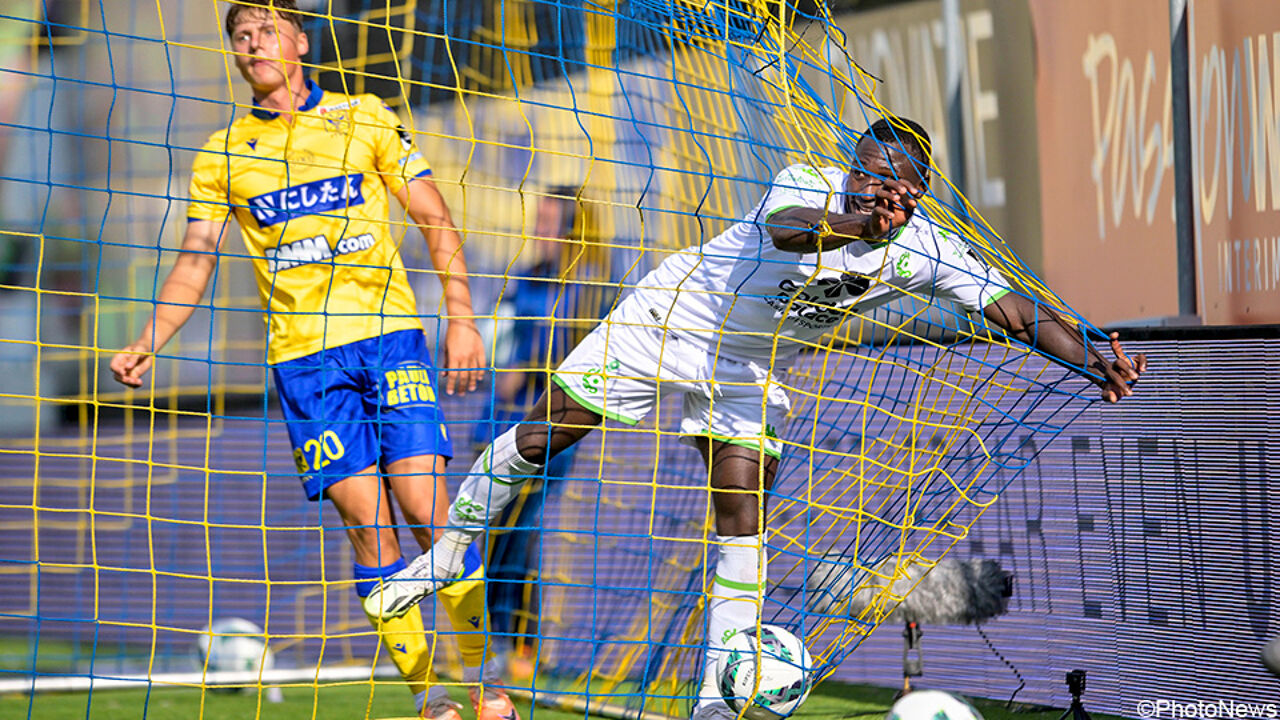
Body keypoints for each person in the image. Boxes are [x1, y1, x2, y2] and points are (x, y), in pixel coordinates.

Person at [361, 116, 1147, 719]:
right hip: (671, 320)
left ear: (919, 191)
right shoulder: (804, 186)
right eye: (865, 174)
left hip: (746, 365)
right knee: (542, 435)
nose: (874, 190)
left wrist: (1088, 356)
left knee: (743, 515)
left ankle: (713, 693)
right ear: (851, 169)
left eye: (893, 185)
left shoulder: (931, 249)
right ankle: (447, 555)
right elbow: (790, 231)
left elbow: (1011, 310)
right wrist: (854, 224)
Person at [107, 2, 517, 719]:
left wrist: (463, 318)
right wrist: (149, 337)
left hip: (390, 341)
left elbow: (433, 217)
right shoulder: (222, 153)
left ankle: (490, 683)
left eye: (265, 28)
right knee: (368, 527)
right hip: (305, 366)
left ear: (299, 41)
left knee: (431, 512)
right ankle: (431, 698)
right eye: (240, 35)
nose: (252, 41)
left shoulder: (365, 114)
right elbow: (194, 260)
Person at [477, 187, 606, 679]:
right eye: (539, 219)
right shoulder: (527, 276)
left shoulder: (591, 283)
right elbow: (503, 336)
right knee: (487, 531)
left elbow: (578, 354)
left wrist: (528, 367)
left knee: (519, 532)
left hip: (551, 422)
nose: (540, 230)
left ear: (575, 228)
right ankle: (493, 645)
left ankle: (522, 649)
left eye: (551, 221)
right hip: (497, 417)